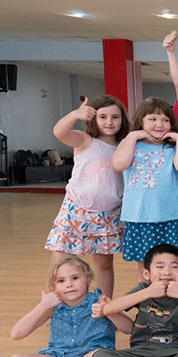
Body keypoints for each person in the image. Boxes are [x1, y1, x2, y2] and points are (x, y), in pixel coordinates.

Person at [1, 257, 131, 357]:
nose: (69, 285)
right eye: (61, 281)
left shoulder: (99, 300)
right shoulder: (52, 307)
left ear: (88, 279)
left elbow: (129, 328)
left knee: (96, 356)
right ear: (53, 287)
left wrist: (108, 311)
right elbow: (16, 334)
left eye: (75, 278)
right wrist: (41, 306)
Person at [45, 95, 129, 298]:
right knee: (61, 260)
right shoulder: (85, 140)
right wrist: (74, 114)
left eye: (115, 117)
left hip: (108, 214)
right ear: (93, 119)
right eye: (103, 117)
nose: (109, 122)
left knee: (103, 265)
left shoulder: (125, 146)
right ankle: (56, 306)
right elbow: (59, 132)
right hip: (76, 209)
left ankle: (104, 305)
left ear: (122, 119)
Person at [110, 97, 178, 278]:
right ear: (140, 120)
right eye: (152, 119)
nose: (159, 124)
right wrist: (132, 135)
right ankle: (147, 304)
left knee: (172, 265)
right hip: (140, 216)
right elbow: (118, 164)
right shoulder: (130, 143)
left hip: (170, 215)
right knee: (145, 267)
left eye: (165, 120)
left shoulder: (172, 147)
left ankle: (173, 302)